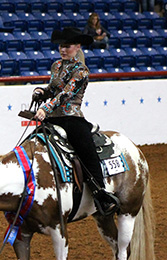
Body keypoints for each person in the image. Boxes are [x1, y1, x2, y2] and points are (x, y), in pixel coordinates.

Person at [32, 27, 119, 216]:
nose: (63, 50)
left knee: (86, 151)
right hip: (54, 118)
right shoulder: (56, 66)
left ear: (77, 46)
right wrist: (42, 92)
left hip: (72, 118)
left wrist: (45, 108)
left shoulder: (81, 70)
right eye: (61, 46)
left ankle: (100, 192)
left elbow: (66, 94)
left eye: (67, 46)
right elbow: (53, 89)